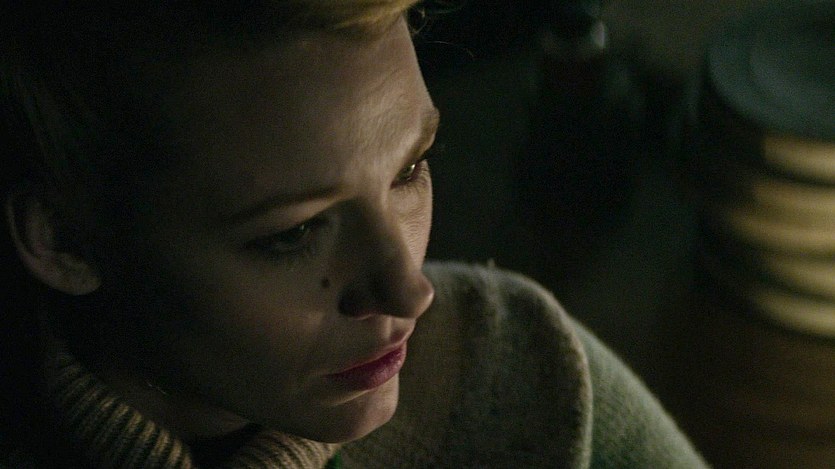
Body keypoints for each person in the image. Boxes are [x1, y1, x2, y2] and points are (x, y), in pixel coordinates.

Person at [0, 2, 708, 467]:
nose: (409, 289)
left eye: (410, 170)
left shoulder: (520, 369)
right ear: (65, 240)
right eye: (296, 232)